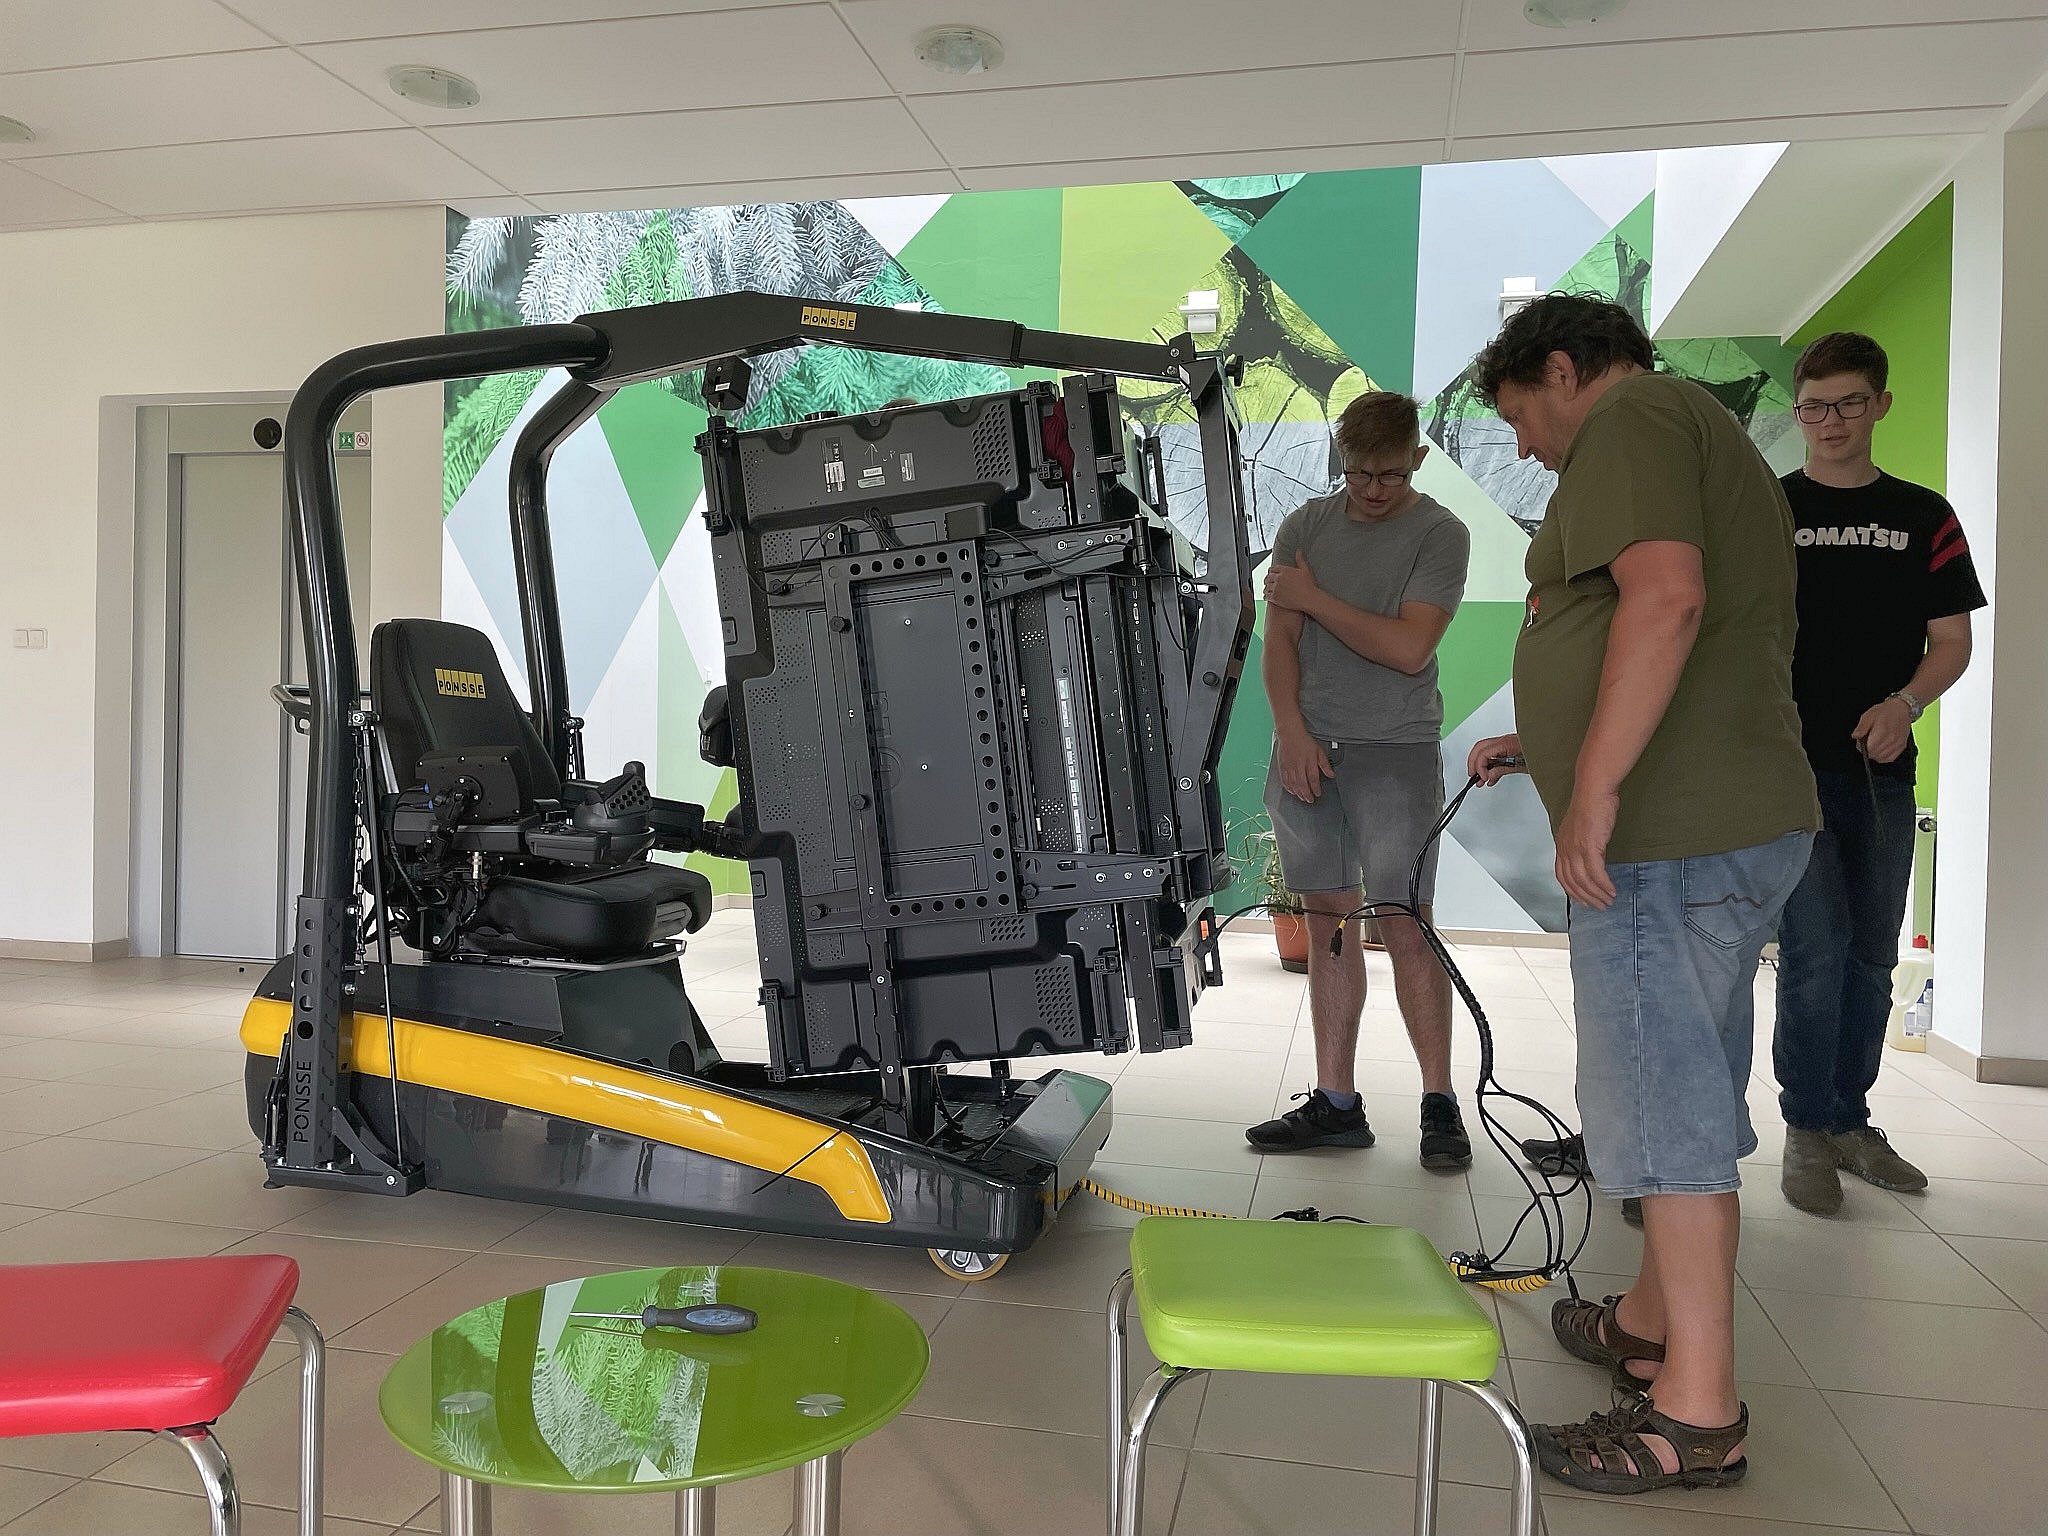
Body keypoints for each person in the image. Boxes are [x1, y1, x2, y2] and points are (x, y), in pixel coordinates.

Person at [1465, 294, 1818, 1495]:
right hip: (1724, 820)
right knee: (1691, 1085)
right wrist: (1553, 740)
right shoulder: (1692, 428)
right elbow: (1661, 627)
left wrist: (1595, 788)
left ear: (1565, 370)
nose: (1523, 446)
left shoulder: (1631, 420)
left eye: (1521, 415)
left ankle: (1693, 1417)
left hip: (1666, 836)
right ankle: (1646, 1323)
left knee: (1663, 1114)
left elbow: (1664, 597)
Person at [1772, 331, 1984, 1215]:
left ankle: (1849, 1120)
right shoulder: (1770, 508)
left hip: (1881, 775)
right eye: (1814, 406)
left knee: (1870, 954)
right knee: (1813, 952)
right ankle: (1805, 1128)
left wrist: (1906, 703)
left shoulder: (1924, 515)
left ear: (1881, 405)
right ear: (1798, 413)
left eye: (1850, 402)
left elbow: (1952, 641)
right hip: (1785, 773)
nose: (1832, 421)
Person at [1244, 391, 1474, 1170]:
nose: (1373, 489)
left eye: (1389, 474)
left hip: (1395, 751)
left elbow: (1409, 648)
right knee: (1327, 924)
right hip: (1308, 750)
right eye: (1358, 474)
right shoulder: (1304, 526)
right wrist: (1291, 732)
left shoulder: (1441, 533)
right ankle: (1336, 1104)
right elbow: (1280, 643)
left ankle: (1439, 1103)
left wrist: (1314, 597)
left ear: (1418, 458)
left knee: (1404, 922)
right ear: (1340, 460)